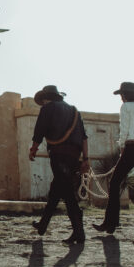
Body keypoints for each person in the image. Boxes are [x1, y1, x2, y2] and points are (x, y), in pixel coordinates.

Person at [94, 81, 134, 240]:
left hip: (132, 148)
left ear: (124, 95)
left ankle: (111, 222)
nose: (121, 98)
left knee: (115, 182)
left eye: (121, 95)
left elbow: (125, 128)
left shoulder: (125, 108)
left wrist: (122, 146)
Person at [28, 85, 91, 245]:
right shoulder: (74, 111)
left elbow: (39, 131)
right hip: (74, 156)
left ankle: (79, 230)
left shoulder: (47, 108)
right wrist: (86, 159)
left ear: (45, 98)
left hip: (59, 154)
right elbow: (84, 137)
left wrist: (34, 149)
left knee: (67, 191)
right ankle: (43, 224)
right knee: (56, 190)